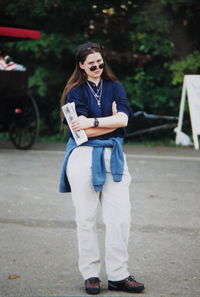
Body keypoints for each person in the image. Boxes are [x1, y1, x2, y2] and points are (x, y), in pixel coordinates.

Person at [59, 42, 145, 295]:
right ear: (81, 66)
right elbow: (79, 130)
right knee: (85, 219)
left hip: (114, 156)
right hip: (83, 156)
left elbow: (124, 120)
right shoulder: (75, 91)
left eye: (100, 61)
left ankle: (119, 275)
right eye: (91, 63)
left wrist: (94, 122)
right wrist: (111, 121)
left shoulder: (115, 87)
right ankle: (91, 274)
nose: (97, 66)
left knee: (120, 219)